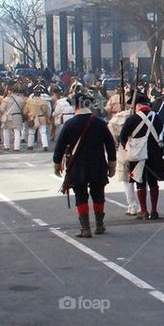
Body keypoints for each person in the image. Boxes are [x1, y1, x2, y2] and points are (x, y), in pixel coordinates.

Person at [53, 91, 117, 237]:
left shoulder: (70, 124)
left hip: (77, 166)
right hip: (98, 165)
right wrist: (112, 165)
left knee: (81, 196)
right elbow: (110, 145)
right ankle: (100, 226)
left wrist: (57, 164)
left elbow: (60, 146)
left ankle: (85, 228)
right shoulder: (100, 123)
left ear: (75, 106)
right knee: (98, 195)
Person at [119, 95, 164, 219]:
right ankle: (154, 210)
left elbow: (123, 137)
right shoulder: (156, 117)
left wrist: (127, 146)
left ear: (137, 106)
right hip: (154, 153)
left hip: (137, 154)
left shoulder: (132, 119)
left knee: (139, 182)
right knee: (153, 182)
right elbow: (160, 130)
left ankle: (144, 211)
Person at [24, 84, 52, 151]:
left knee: (31, 132)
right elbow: (48, 112)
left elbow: (25, 111)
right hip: (42, 118)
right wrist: (48, 117)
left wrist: (27, 116)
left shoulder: (29, 101)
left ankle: (30, 145)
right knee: (43, 132)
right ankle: (45, 145)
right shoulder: (45, 102)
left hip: (32, 118)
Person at [0, 84, 26, 152]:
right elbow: (23, 109)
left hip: (8, 116)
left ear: (10, 92)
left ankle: (6, 146)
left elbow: (2, 109)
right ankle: (16, 147)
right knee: (17, 132)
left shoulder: (6, 99)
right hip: (18, 116)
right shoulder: (21, 99)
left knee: (5, 130)